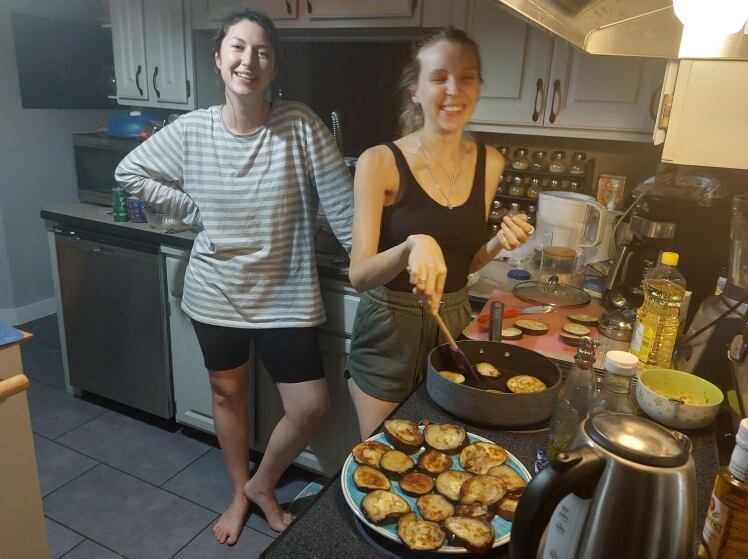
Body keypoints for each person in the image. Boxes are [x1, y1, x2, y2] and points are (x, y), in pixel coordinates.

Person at [114, 11, 353, 545]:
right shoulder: (193, 130)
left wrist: (379, 258)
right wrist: (192, 211)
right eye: (238, 48)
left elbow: (342, 206)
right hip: (215, 291)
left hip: (285, 294)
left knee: (310, 405)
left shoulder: (299, 124)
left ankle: (263, 484)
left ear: (273, 66)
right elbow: (128, 171)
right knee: (227, 394)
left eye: (263, 51)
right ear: (218, 57)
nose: (250, 61)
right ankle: (238, 491)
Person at [346, 28, 533, 441]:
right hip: (389, 329)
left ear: (479, 88)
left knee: (444, 459)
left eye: (467, 77)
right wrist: (413, 244)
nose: (454, 89)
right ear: (415, 90)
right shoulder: (379, 162)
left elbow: (464, 264)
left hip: (453, 323)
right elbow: (358, 275)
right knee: (387, 459)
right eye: (439, 77)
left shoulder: (491, 162)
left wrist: (498, 243)